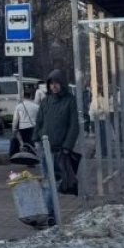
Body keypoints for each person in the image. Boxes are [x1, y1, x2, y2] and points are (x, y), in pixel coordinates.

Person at [33, 69, 82, 214]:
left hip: (60, 150)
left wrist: (67, 146)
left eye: (56, 83)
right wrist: (36, 139)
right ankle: (49, 214)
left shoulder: (69, 101)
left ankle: (48, 214)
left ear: (62, 84)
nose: (53, 86)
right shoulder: (45, 101)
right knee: (48, 183)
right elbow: (39, 122)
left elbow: (74, 126)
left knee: (55, 182)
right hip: (45, 148)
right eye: (51, 84)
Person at [10, 88, 39, 162]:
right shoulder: (36, 106)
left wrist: (14, 129)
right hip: (33, 127)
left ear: (23, 97)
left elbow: (15, 119)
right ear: (31, 96)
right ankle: (33, 159)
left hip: (23, 127)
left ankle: (27, 159)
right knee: (32, 143)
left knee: (25, 143)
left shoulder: (19, 106)